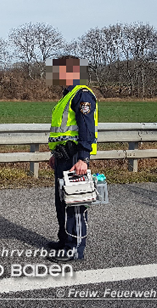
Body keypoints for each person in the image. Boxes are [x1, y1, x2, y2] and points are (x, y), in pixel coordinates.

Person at [46, 56, 98, 262]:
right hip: (62, 156)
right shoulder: (66, 96)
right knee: (62, 201)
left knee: (75, 204)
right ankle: (64, 239)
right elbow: (62, 131)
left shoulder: (82, 95)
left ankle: (74, 248)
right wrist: (53, 154)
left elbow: (86, 128)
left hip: (76, 156)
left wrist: (84, 158)